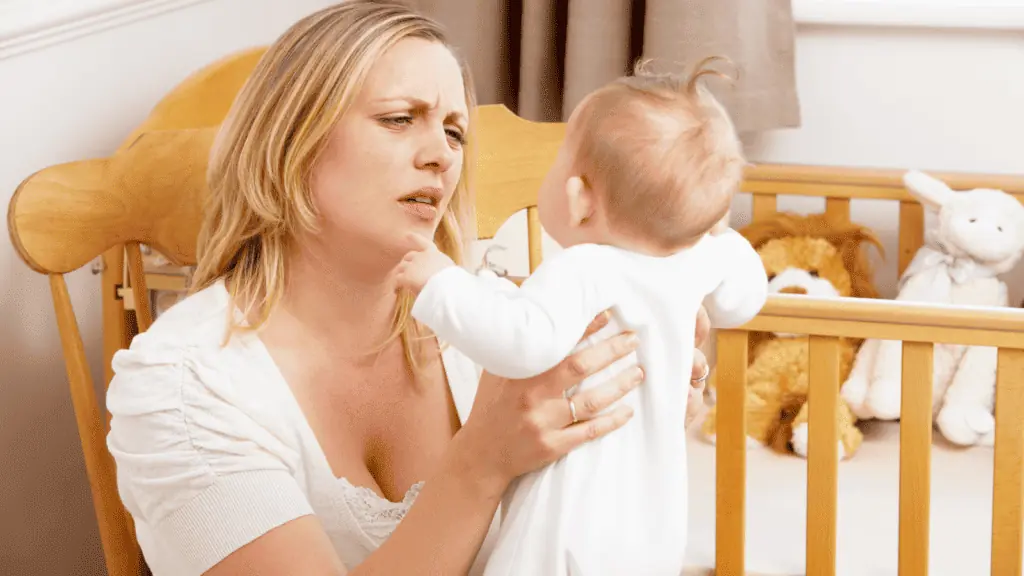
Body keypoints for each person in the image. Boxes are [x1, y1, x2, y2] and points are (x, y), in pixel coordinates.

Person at [104, 2, 715, 575]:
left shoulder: (488, 326)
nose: (442, 157)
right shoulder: (182, 390)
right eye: (400, 119)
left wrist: (639, 405)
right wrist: (481, 461)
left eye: (455, 134)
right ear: (291, 140)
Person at [394, 61, 768, 576]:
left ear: (577, 197)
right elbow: (745, 298)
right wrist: (716, 236)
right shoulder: (701, 258)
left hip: (571, 521)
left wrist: (440, 281)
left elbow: (523, 341)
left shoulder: (584, 268)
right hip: (652, 524)